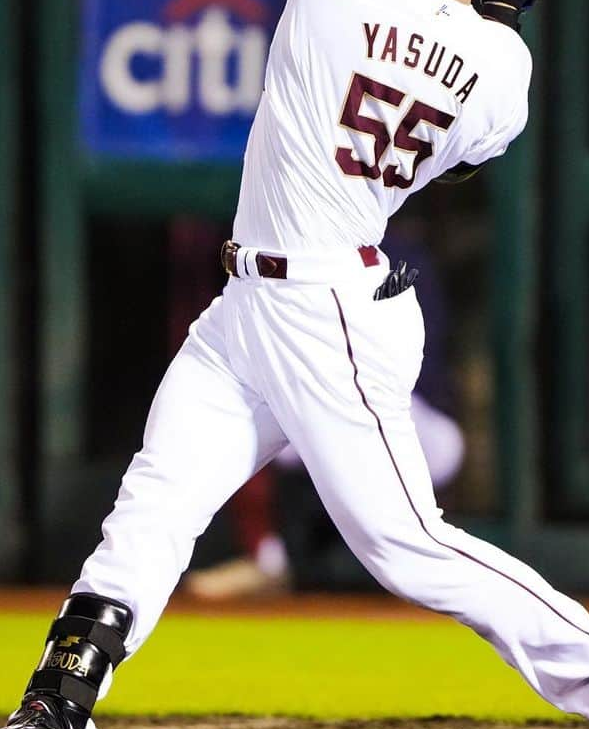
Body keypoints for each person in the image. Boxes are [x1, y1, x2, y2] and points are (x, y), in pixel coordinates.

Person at [0, 0, 589, 729]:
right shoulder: (505, 79)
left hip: (328, 314)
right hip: (252, 307)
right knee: (156, 500)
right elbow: (478, 95)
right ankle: (59, 704)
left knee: (404, 544)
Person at [185, 225, 465, 599]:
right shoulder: (289, 253)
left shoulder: (400, 253)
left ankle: (426, 558)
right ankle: (272, 559)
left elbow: (416, 366)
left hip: (410, 412)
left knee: (404, 442)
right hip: (325, 402)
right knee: (269, 421)